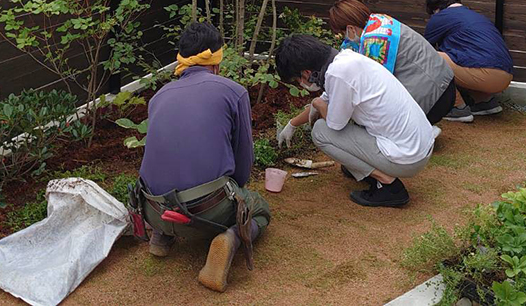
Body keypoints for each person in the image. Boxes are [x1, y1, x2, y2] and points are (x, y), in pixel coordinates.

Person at [136, 22, 271, 293]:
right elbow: (243, 157)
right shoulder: (233, 92)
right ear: (216, 59)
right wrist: (239, 191)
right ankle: (230, 238)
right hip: (205, 211)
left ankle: (161, 237)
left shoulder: (158, 97)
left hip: (153, 208)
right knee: (260, 209)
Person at [275, 34, 437, 207]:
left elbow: (334, 124)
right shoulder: (345, 61)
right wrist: (292, 124)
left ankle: (389, 185)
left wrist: (317, 104)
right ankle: (366, 167)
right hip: (420, 145)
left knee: (321, 132)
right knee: (330, 122)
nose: (300, 83)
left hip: (408, 158)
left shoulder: (338, 75)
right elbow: (326, 99)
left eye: (297, 79)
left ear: (306, 72)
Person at [326, 0, 456, 125]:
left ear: (350, 29)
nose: (343, 38)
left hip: (433, 97)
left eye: (342, 33)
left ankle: (421, 128)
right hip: (445, 84)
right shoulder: (379, 20)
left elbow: (374, 87)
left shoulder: (374, 42)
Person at [423, 0, 514, 123]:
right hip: (506, 75)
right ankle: (484, 102)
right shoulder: (476, 16)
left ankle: (457, 108)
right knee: (463, 57)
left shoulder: (440, 17)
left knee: (430, 57)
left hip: (484, 74)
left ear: (435, 8)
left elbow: (422, 50)